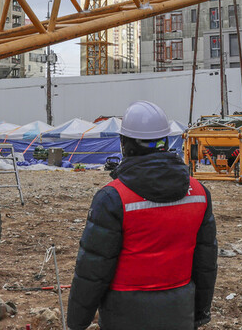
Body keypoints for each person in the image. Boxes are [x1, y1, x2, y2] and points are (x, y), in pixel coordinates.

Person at [66, 101, 218, 330]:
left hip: (125, 315)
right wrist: (199, 313)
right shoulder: (198, 194)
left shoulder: (112, 198)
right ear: (165, 143)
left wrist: (77, 322)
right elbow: (205, 264)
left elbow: (93, 270)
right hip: (179, 311)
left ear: (125, 145)